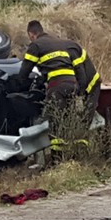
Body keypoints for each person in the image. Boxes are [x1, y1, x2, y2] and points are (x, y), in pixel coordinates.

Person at [21, 21, 80, 158]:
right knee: (67, 119)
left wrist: (21, 84)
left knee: (54, 121)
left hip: (57, 86)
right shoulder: (59, 43)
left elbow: (24, 71)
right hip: (72, 84)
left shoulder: (36, 45)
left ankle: (57, 159)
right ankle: (72, 155)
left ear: (31, 34)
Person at [65, 39, 101, 128]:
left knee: (86, 118)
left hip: (91, 85)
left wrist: (80, 96)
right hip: (82, 86)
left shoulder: (71, 50)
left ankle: (83, 135)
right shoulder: (68, 49)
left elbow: (81, 74)